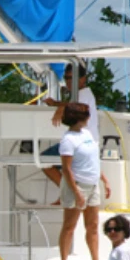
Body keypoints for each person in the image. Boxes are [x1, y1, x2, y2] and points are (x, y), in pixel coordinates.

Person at [57, 101, 111, 260]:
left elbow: (93, 160)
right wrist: (77, 192)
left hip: (93, 184)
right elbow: (66, 169)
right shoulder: (68, 140)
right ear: (79, 118)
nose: (89, 118)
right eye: (87, 115)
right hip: (77, 185)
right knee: (69, 226)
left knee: (93, 226)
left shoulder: (86, 133)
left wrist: (104, 180)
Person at [41, 63, 98, 193]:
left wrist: (61, 107)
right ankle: (70, 193)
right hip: (86, 144)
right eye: (66, 78)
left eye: (72, 78)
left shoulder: (83, 94)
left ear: (83, 79)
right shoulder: (83, 94)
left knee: (44, 160)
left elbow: (76, 107)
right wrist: (57, 104)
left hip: (81, 144)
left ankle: (69, 193)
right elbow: (73, 104)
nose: (68, 81)